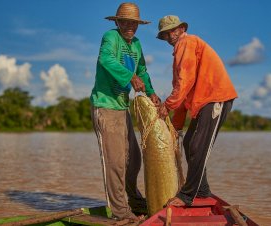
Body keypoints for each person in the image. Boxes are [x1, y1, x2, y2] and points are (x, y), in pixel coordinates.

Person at [156, 15, 238, 207]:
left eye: (173, 31)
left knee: (197, 145)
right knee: (189, 142)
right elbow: (183, 94)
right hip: (204, 103)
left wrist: (167, 105)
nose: (170, 36)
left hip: (216, 98)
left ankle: (187, 195)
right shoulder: (179, 53)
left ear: (181, 29)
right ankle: (201, 190)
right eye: (166, 34)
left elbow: (185, 83)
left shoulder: (187, 42)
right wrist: (174, 127)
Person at [90, 2, 160, 223]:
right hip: (106, 106)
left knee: (134, 159)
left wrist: (152, 93)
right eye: (125, 22)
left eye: (134, 23)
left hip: (122, 107)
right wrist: (130, 78)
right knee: (116, 161)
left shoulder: (137, 44)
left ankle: (133, 200)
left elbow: (141, 71)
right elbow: (106, 59)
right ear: (118, 22)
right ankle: (121, 212)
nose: (130, 26)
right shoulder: (111, 38)